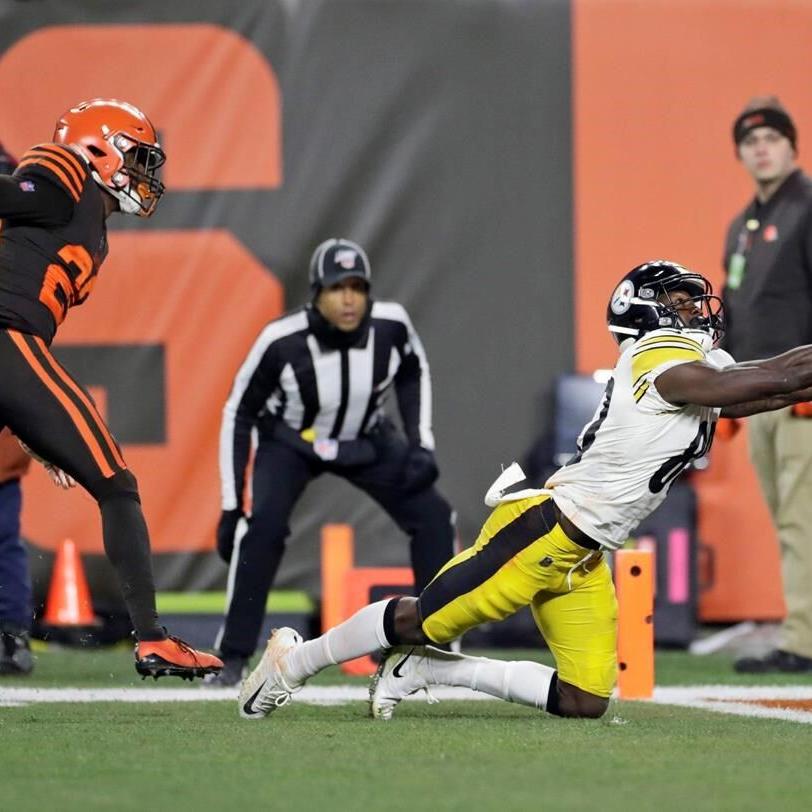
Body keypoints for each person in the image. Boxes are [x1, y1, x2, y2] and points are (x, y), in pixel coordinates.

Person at [234, 260, 812, 721]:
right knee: (418, 619)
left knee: (585, 698)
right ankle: (292, 660)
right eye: (679, 302)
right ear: (647, 316)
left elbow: (770, 385)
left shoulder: (695, 363)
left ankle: (431, 671)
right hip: (545, 530)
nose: (693, 310)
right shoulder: (656, 355)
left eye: (691, 299)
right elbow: (756, 383)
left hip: (583, 556)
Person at [0, 99, 222, 679]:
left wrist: (39, 430)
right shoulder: (61, 172)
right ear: (100, 148)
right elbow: (21, 197)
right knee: (116, 484)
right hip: (8, 339)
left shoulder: (88, 223)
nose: (145, 175)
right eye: (137, 157)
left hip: (16, 348)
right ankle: (152, 639)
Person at [209, 238, 455, 686]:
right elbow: (238, 411)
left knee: (434, 516)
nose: (348, 299)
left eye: (358, 287)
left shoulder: (391, 326)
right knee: (260, 528)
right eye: (337, 287)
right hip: (292, 442)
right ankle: (233, 657)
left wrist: (421, 444)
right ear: (316, 293)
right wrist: (231, 505)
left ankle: (434, 647)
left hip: (367, 438)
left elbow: (413, 368)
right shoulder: (281, 341)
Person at [722, 97, 812, 674]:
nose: (762, 147)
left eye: (772, 138)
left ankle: (802, 640)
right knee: (788, 515)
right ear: (739, 154)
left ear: (792, 147)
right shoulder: (743, 227)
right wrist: (726, 390)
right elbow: (733, 309)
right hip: (758, 394)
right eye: (751, 141)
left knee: (804, 516)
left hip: (802, 393)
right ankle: (801, 630)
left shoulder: (807, 208)